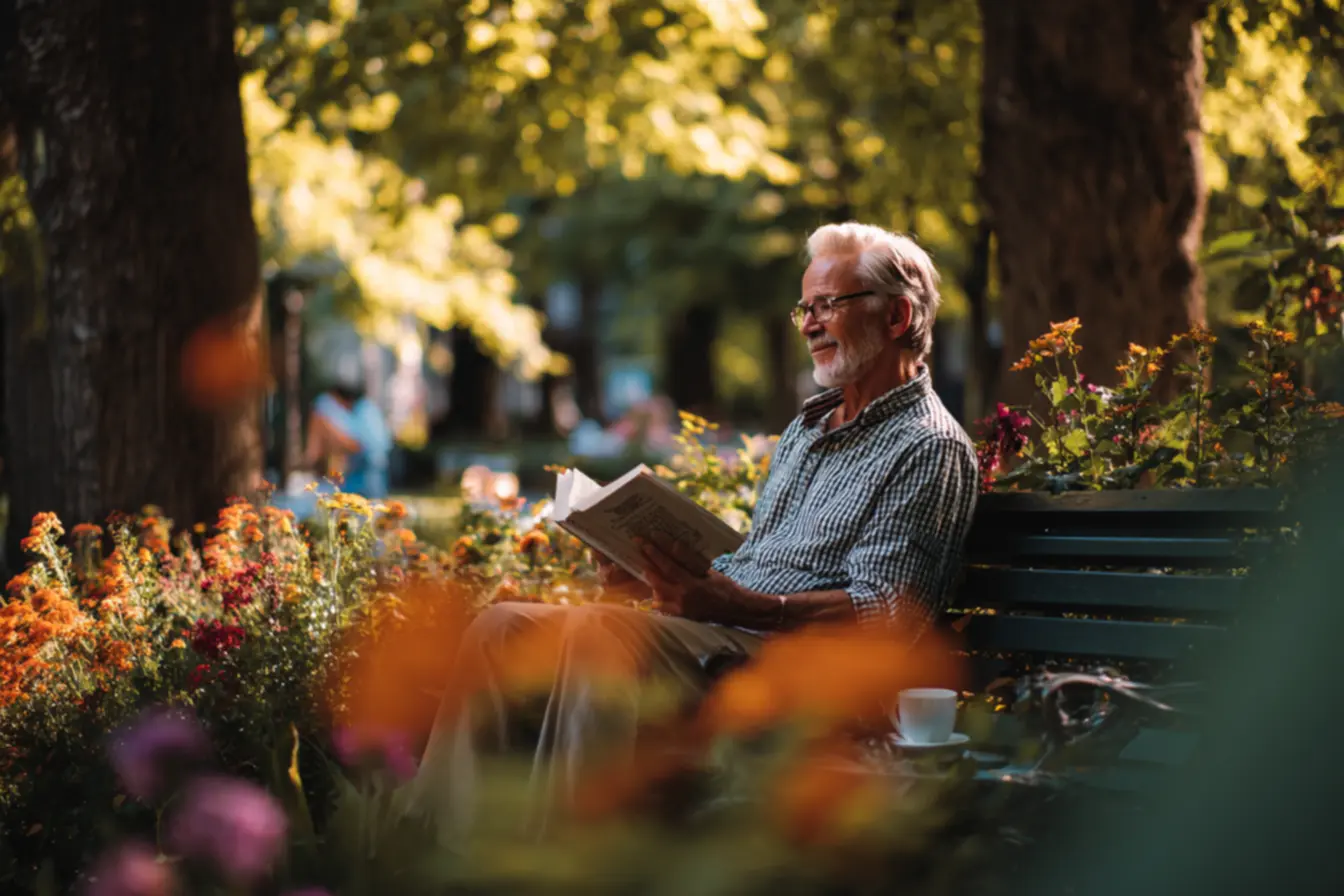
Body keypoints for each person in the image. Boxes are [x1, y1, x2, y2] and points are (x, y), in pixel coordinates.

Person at [407, 222, 980, 840]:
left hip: (790, 670)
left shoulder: (929, 446)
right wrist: (654, 572)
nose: (811, 323)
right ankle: (441, 855)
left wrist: (737, 604)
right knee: (501, 627)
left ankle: (568, 865)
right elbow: (763, 560)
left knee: (603, 638)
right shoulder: (808, 430)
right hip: (721, 637)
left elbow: (889, 615)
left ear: (896, 316)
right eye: (805, 308)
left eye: (829, 305)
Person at [304, 373, 392, 499]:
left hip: (367, 474)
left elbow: (357, 445)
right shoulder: (366, 408)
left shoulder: (363, 411)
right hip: (372, 472)